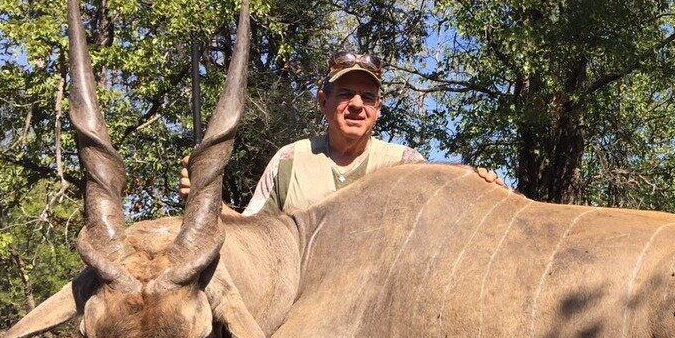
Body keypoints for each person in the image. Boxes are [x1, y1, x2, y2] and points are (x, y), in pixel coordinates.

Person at [181, 51, 505, 213]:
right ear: (323, 100)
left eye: (367, 98)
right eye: (345, 94)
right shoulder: (291, 160)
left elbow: (448, 217)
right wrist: (207, 200)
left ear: (378, 109)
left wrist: (484, 193)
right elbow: (250, 234)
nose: (356, 105)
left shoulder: (407, 164)